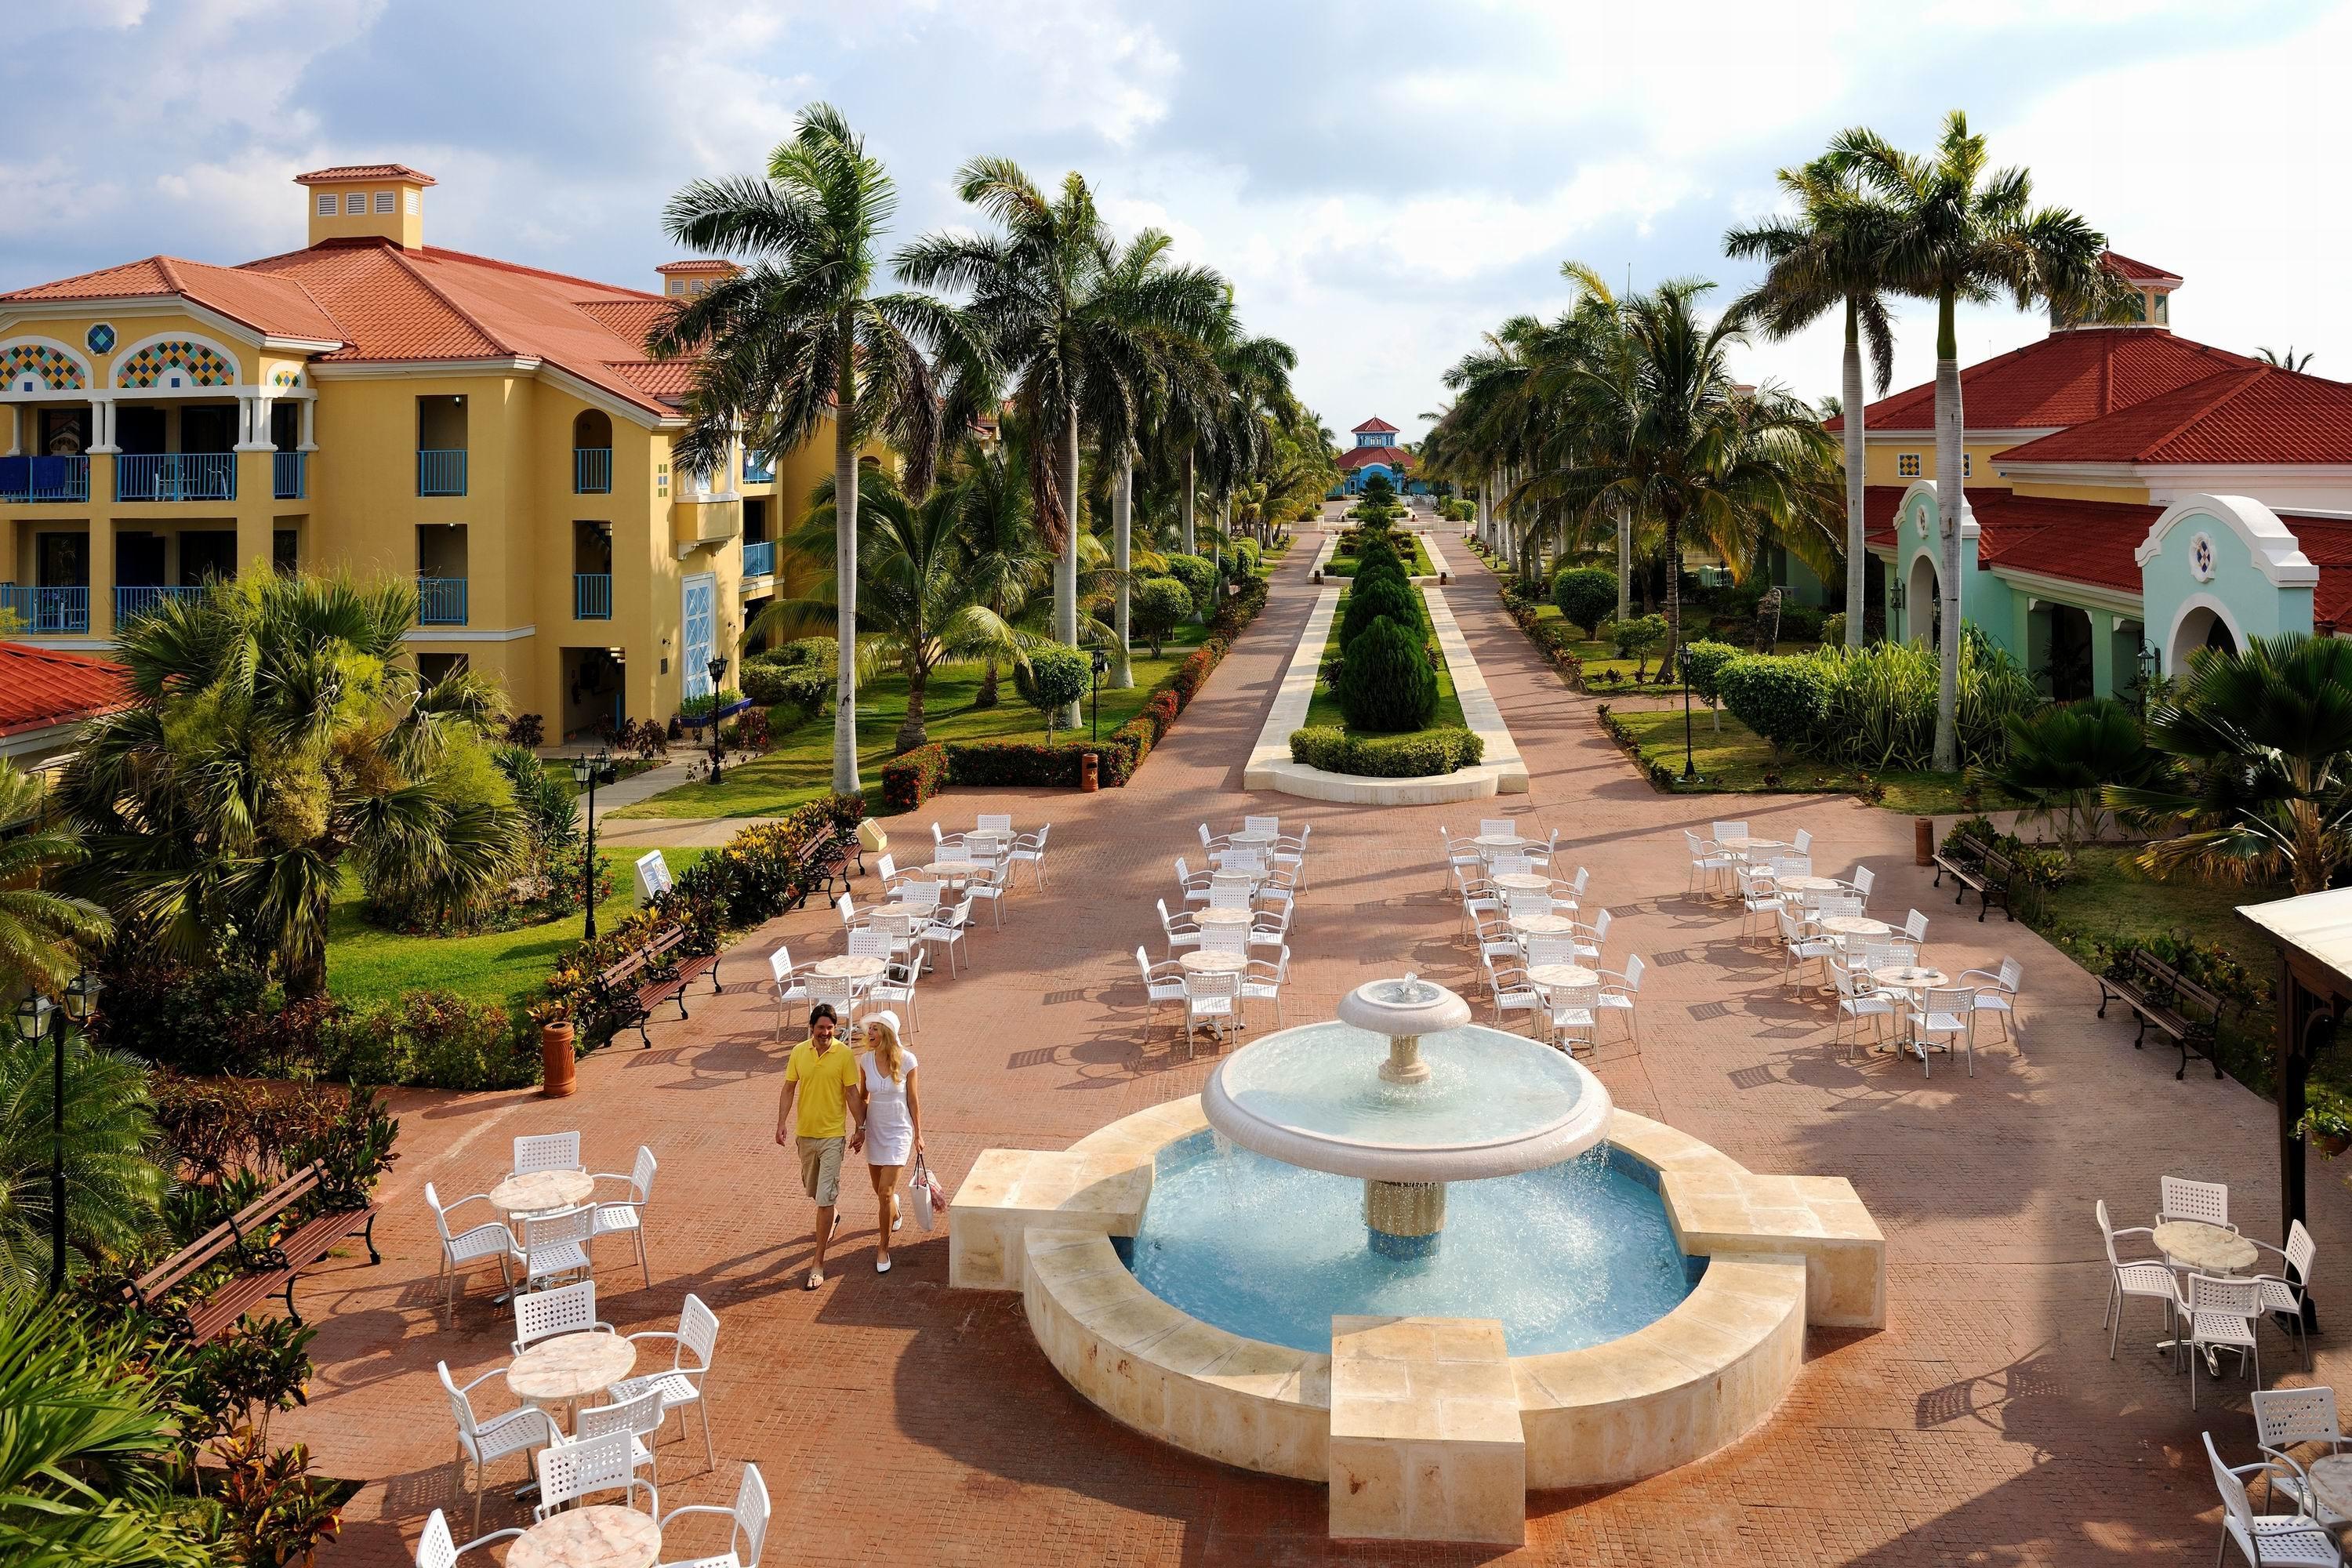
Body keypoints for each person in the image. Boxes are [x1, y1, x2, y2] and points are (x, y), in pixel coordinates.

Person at [776, 1003, 862, 1290]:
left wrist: (860, 1128)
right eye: (821, 1027)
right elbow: (789, 1088)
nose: (826, 1033)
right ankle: (833, 1215)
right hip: (806, 1136)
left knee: (824, 1199)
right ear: (811, 1028)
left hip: (832, 1137)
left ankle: (818, 1262)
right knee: (815, 1193)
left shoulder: (845, 1055)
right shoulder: (799, 1052)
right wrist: (781, 1123)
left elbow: (852, 1093)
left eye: (830, 1028)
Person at [848, 1011, 923, 1274]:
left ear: (888, 1033)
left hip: (899, 1131)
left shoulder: (907, 1061)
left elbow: (913, 1101)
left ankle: (883, 1247)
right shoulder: (866, 1060)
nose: (869, 1033)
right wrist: (860, 1130)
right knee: (879, 1190)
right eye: (870, 1029)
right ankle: (896, 1212)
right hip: (876, 1130)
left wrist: (919, 1134)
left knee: (885, 1192)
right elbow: (863, 1098)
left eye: (876, 1029)